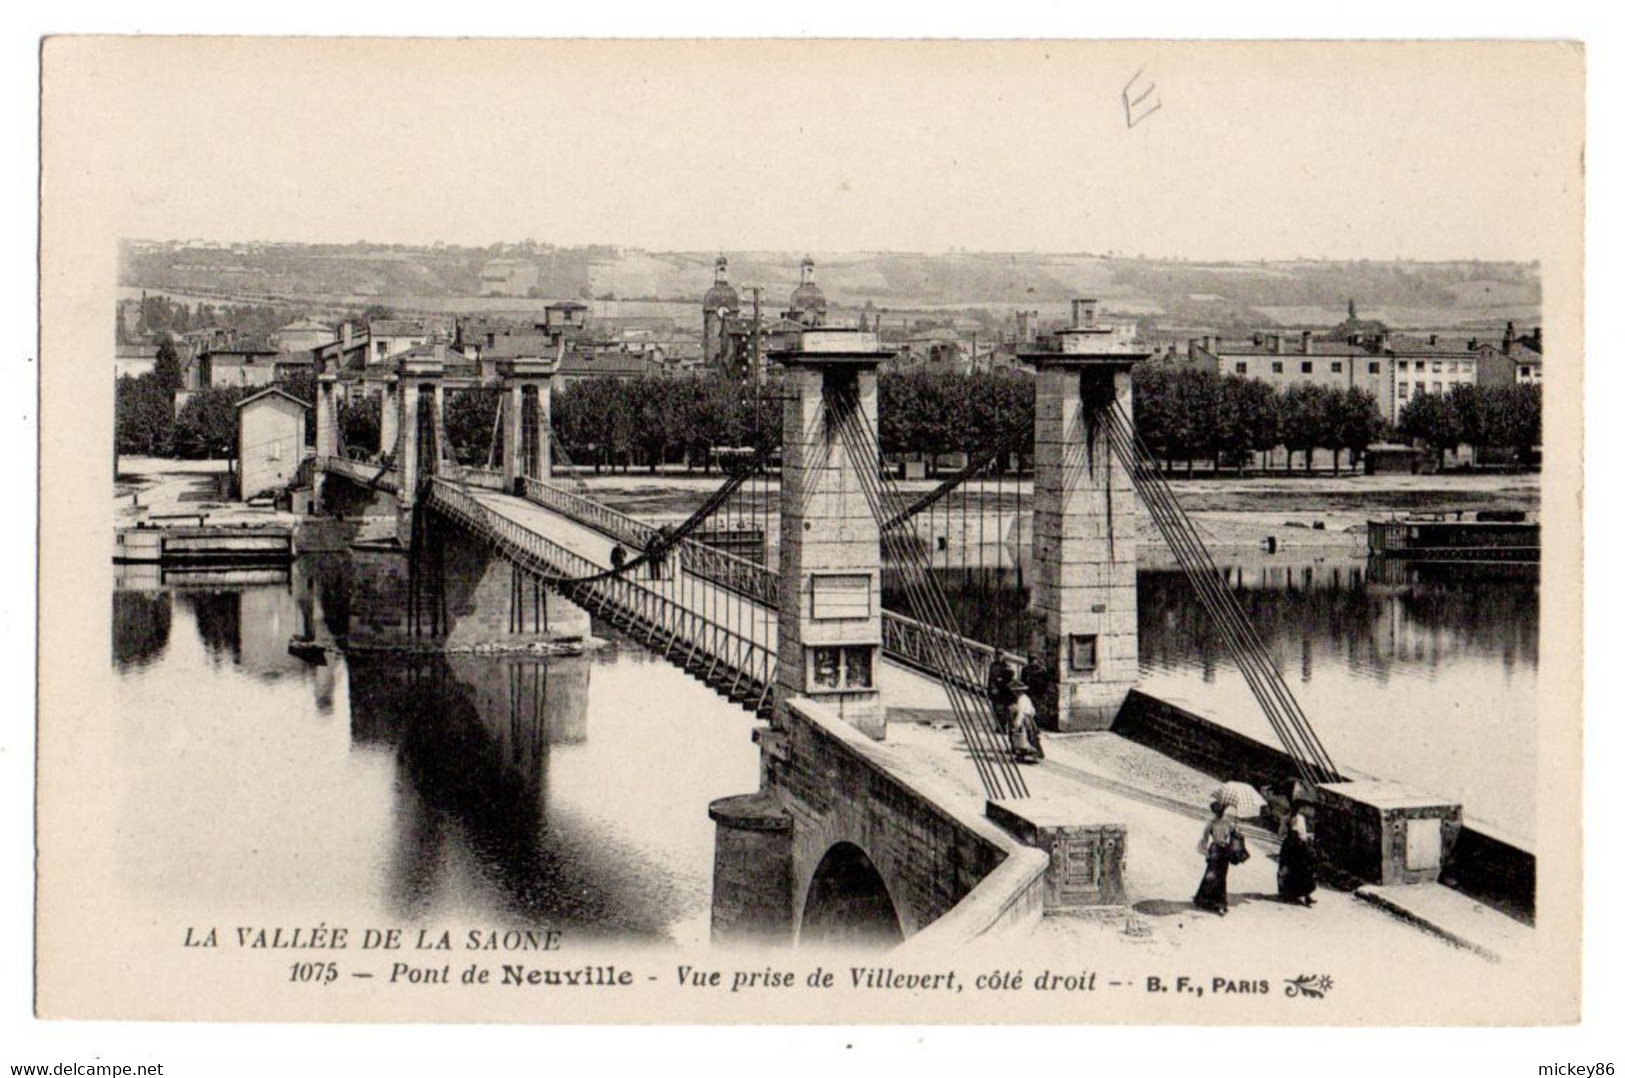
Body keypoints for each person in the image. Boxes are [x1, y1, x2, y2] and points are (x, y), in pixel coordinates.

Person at [1194, 803, 1240, 915]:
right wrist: (1206, 853)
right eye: (1218, 810)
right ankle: (1207, 901)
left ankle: (1218, 902)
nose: (1220, 811)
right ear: (1215, 811)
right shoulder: (1212, 822)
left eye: (1222, 809)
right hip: (1216, 850)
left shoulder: (1228, 822)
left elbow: (1234, 836)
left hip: (1224, 851)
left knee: (1221, 876)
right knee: (1212, 876)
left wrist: (1236, 830)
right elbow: (1204, 839)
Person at [1277, 801, 1318, 907]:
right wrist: (1286, 826)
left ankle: (1306, 895)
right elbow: (1280, 834)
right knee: (1286, 870)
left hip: (1299, 847)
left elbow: (1303, 833)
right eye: (1293, 809)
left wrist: (1304, 841)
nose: (1294, 811)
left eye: (1296, 809)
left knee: (1304, 870)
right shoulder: (1285, 818)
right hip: (1289, 847)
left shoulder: (1301, 819)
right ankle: (1286, 893)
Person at [1008, 683, 1043, 764]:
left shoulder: (1021, 700)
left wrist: (1017, 723)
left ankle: (1021, 756)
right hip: (1029, 719)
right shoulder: (1026, 698)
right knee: (1031, 736)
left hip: (1024, 719)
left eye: (1015, 692)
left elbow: (1021, 713)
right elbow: (1033, 710)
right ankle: (1034, 755)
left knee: (1021, 737)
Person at [986, 652, 1016, 732]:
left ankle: (1002, 726)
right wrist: (991, 690)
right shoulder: (993, 665)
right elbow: (991, 678)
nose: (999, 657)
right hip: (995, 690)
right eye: (997, 656)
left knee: (1004, 710)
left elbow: (1011, 675)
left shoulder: (1005, 665)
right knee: (996, 710)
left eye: (1000, 656)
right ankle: (999, 726)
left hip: (1003, 691)